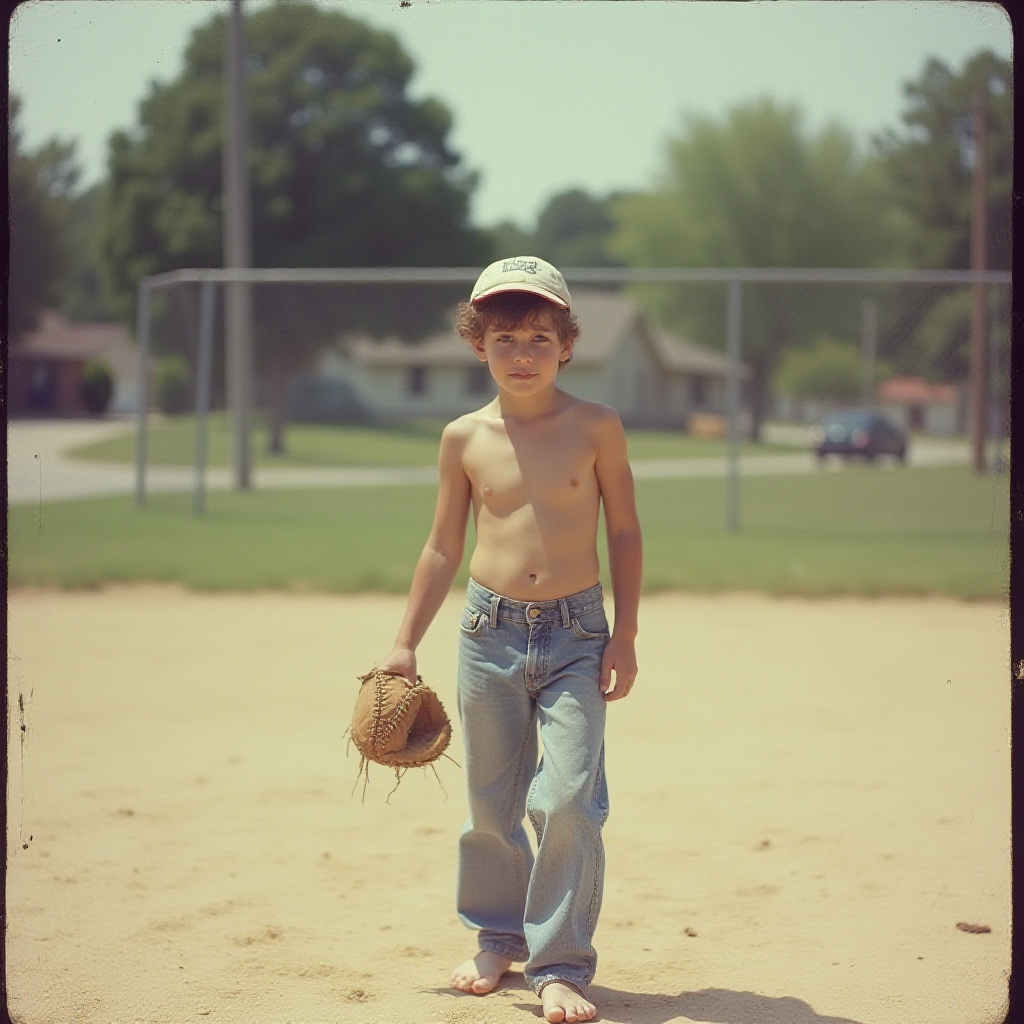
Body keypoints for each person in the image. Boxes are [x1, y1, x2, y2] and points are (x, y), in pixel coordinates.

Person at [376, 256, 642, 1024]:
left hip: (578, 633)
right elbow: (440, 547)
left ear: (566, 344)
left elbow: (623, 531)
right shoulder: (464, 436)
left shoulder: (596, 425)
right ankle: (497, 937)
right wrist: (404, 642)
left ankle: (559, 965)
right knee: (490, 804)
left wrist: (624, 634)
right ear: (476, 345)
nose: (520, 353)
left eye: (536, 336)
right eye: (503, 339)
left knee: (567, 800)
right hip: (487, 634)